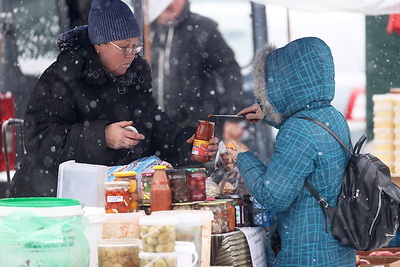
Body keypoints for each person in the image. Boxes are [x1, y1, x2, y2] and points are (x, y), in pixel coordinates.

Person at [10, 0, 218, 197]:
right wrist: (101, 137)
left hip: (108, 196)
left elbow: (154, 128)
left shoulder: (135, 77)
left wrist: (187, 145)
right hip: (54, 197)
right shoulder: (64, 76)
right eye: (124, 47)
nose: (131, 54)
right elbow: (39, 139)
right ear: (99, 44)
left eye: (135, 46)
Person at [226, 37, 356, 266]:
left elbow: (273, 196)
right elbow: (309, 139)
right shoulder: (332, 117)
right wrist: (268, 115)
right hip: (337, 249)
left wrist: (242, 157)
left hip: (306, 254)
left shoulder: (298, 130)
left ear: (284, 82)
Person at [150, 0, 244, 133]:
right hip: (151, 128)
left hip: (197, 129)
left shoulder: (204, 29)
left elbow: (230, 72)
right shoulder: (139, 30)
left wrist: (232, 117)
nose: (169, 3)